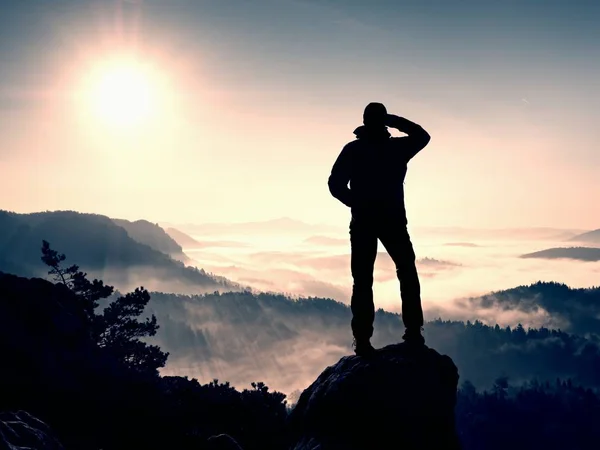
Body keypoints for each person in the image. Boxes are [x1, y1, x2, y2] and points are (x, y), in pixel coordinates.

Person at [328, 102, 431, 355]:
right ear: (383, 122)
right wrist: (393, 120)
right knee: (406, 271)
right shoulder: (396, 148)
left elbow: (335, 185)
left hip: (364, 221)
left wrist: (357, 203)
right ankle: (413, 332)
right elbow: (422, 136)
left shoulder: (354, 149)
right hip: (392, 220)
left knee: (363, 280)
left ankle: (362, 341)